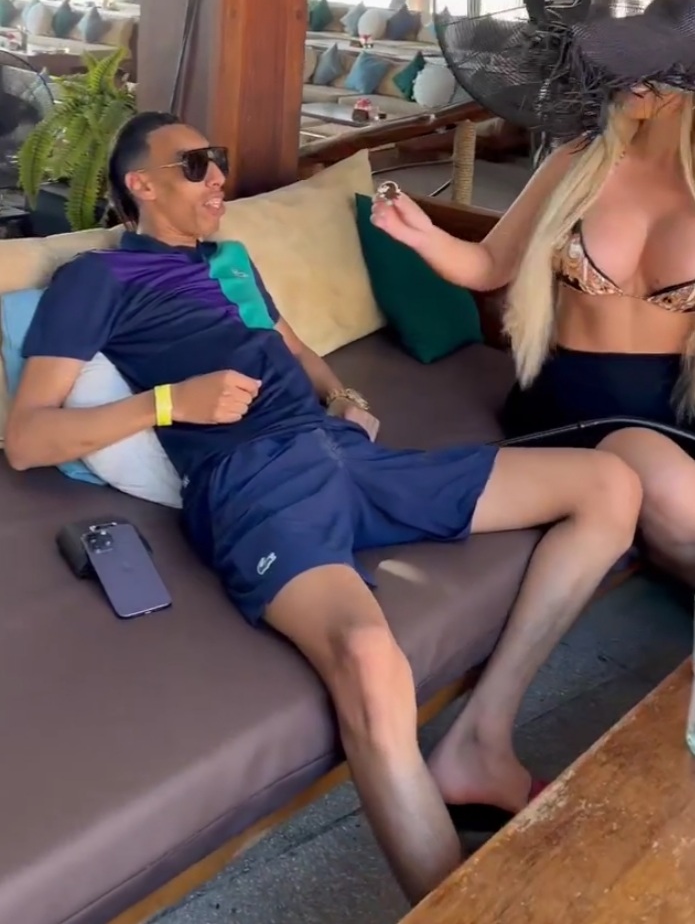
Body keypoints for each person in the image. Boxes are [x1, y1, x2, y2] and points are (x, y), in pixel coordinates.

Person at [5, 112, 641, 905]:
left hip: (346, 456)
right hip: (252, 480)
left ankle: (482, 735)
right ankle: (457, 904)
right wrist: (167, 404)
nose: (218, 176)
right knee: (370, 660)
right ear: (141, 185)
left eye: (219, 159)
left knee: (608, 484)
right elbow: (27, 439)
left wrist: (342, 396)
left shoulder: (228, 260)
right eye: (195, 165)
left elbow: (294, 348)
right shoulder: (97, 280)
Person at [373, 0, 695, 593]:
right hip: (574, 403)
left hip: (678, 412)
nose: (630, 78)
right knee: (669, 488)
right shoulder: (579, 159)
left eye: (654, 71)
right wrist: (422, 235)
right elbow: (488, 266)